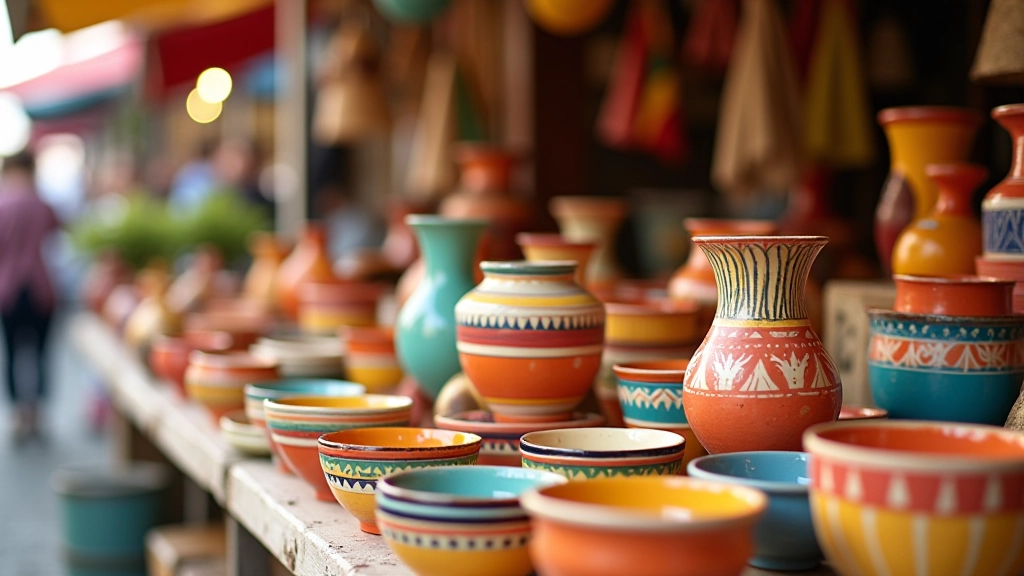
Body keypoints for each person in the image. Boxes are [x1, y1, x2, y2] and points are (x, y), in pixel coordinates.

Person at [0, 152, 60, 442]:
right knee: (40, 353)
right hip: (40, 285)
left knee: (12, 352)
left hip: (8, 288)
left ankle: (18, 417)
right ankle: (35, 414)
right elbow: (56, 236)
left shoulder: (2, 204)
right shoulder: (42, 204)